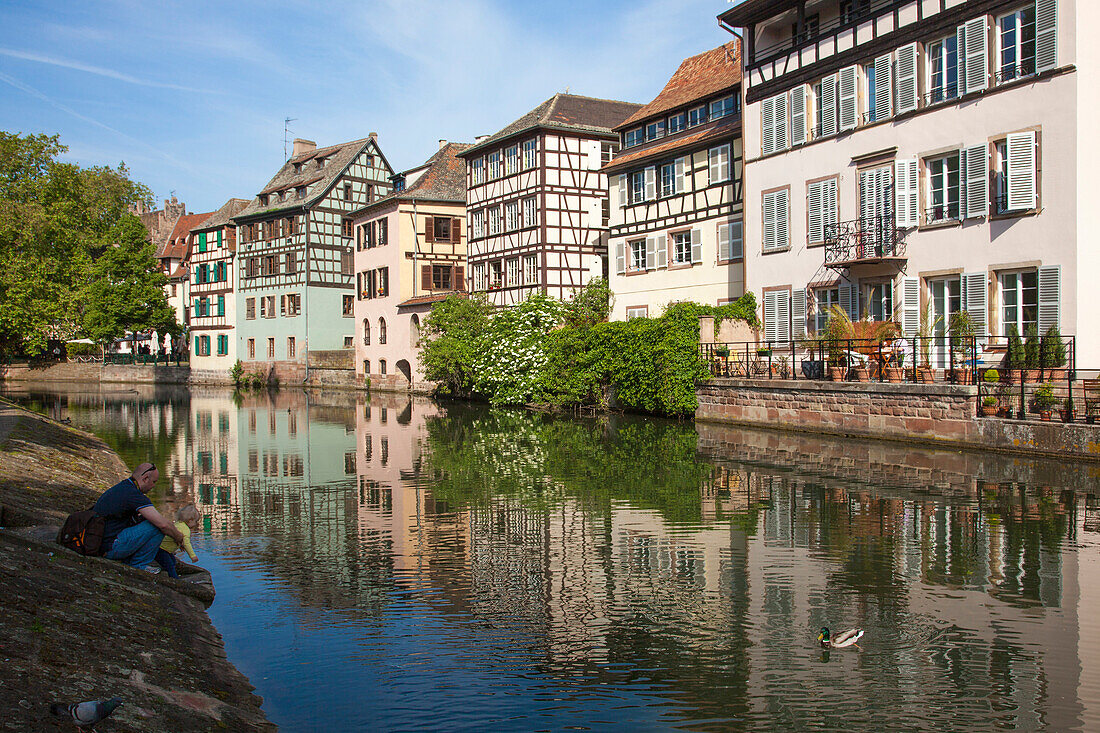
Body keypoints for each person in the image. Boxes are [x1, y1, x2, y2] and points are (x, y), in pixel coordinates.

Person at [94, 463, 185, 570]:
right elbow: (164, 524)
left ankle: (132, 561)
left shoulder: (123, 487)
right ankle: (138, 566)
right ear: (145, 478)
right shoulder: (134, 495)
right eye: (153, 482)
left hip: (101, 543)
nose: (153, 486)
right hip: (110, 547)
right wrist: (179, 537)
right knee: (156, 527)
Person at [153, 504, 200, 578]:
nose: (196, 524)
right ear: (190, 520)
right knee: (169, 565)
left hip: (160, 547)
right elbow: (187, 543)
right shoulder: (185, 529)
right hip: (162, 549)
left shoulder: (178, 524)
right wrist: (193, 556)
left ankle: (163, 572)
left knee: (172, 561)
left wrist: (180, 544)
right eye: (196, 521)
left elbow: (175, 538)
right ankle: (175, 579)